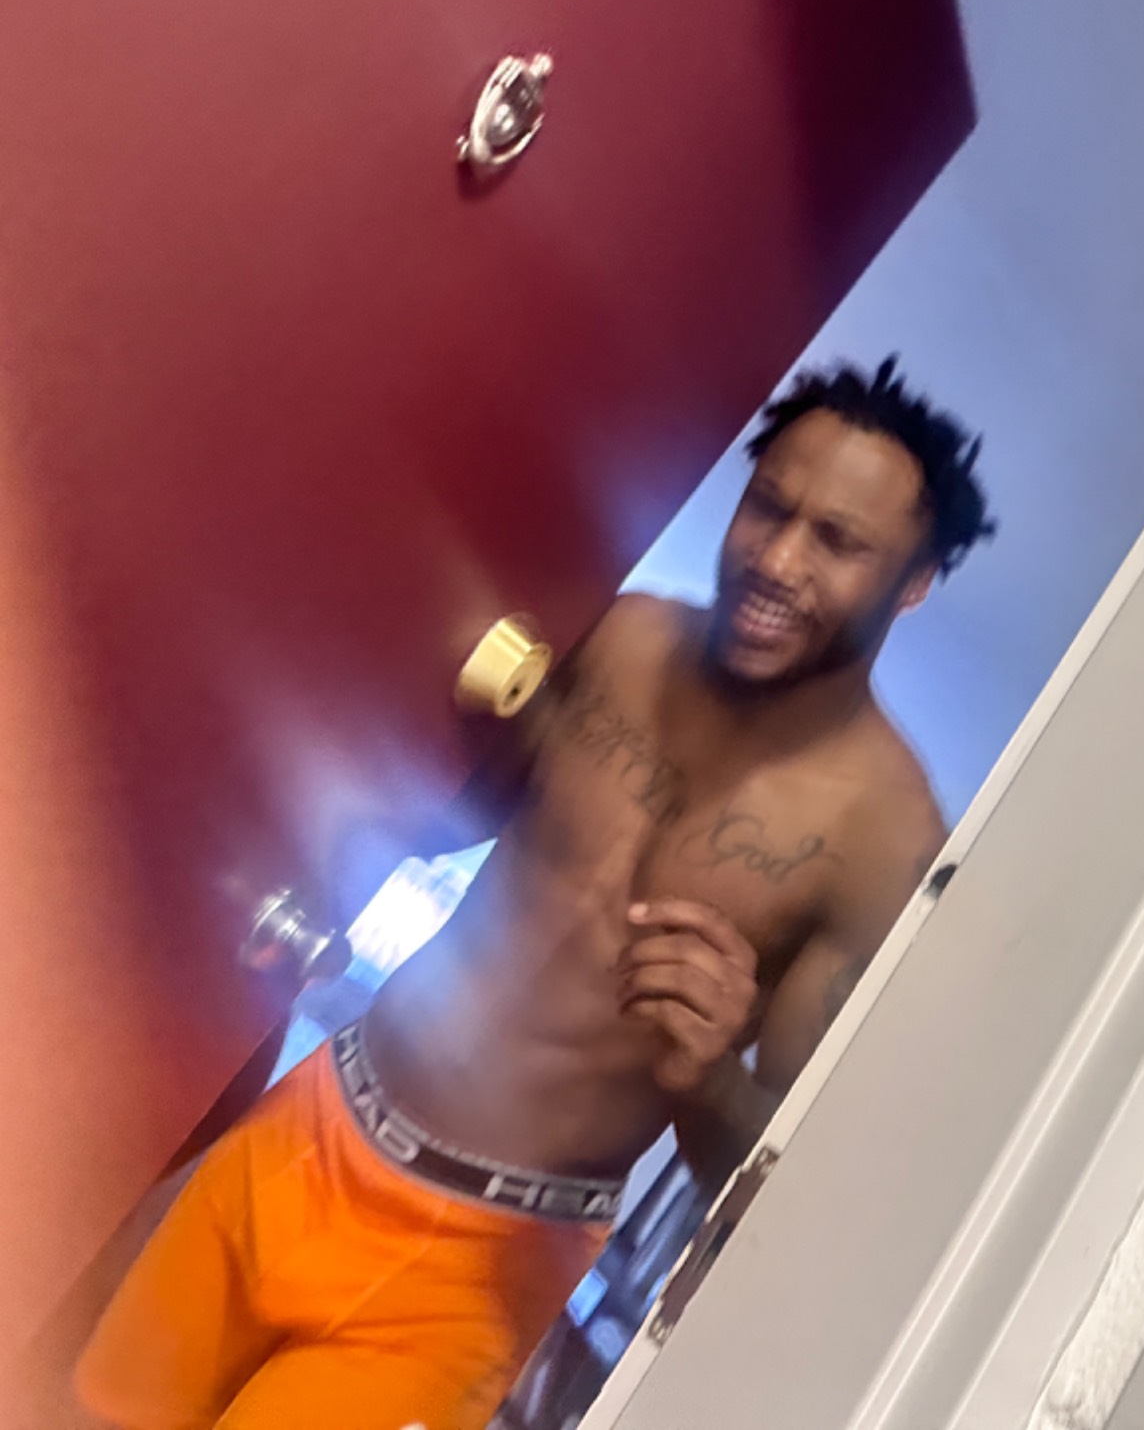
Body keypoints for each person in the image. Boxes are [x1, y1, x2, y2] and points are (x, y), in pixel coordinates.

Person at [75, 358, 997, 1430]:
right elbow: (460, 822)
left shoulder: (884, 843)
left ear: (915, 581)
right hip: (313, 1122)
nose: (776, 559)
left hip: (470, 1274)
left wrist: (704, 1077)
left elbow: (774, 1188)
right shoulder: (628, 635)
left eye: (836, 542)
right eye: (768, 508)